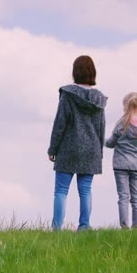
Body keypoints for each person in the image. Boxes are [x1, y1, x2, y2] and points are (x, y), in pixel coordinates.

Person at [48, 55, 107, 231]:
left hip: (69, 148)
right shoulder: (99, 99)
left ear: (75, 72)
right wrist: (100, 153)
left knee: (61, 190)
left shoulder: (67, 94)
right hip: (91, 149)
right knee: (86, 190)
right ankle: (84, 227)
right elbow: (101, 127)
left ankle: (57, 229)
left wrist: (53, 148)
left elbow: (60, 123)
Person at [105, 93, 137, 229]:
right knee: (136, 198)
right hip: (136, 165)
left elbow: (111, 143)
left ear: (126, 106)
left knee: (123, 197)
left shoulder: (121, 123)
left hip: (120, 165)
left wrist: (102, 140)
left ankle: (124, 228)